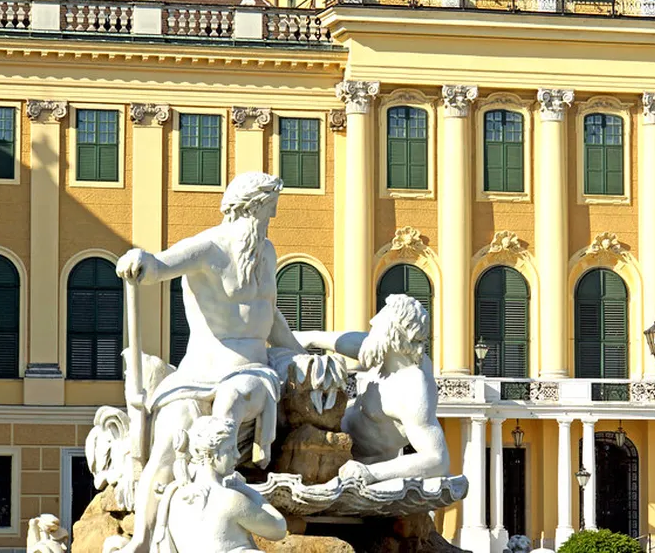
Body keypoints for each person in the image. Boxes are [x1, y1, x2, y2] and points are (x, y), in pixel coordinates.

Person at [112, 172, 323, 553]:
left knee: (232, 401)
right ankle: (142, 540)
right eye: (270, 208)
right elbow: (159, 266)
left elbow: (269, 315)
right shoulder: (209, 248)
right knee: (168, 440)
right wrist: (139, 259)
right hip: (197, 374)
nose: (272, 217)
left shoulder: (267, 251)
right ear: (254, 206)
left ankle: (219, 511)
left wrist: (300, 354)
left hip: (252, 370)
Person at [296, 294, 449, 483]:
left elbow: (437, 459)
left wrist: (371, 473)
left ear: (392, 332)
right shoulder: (387, 355)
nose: (372, 320)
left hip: (346, 461)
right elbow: (354, 342)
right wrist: (310, 338)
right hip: (329, 430)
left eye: (379, 322)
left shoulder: (412, 388)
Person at [155, 416, 287, 553]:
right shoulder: (230, 499)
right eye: (230, 449)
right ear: (210, 454)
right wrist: (250, 492)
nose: (237, 455)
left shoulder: (174, 496)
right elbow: (279, 529)